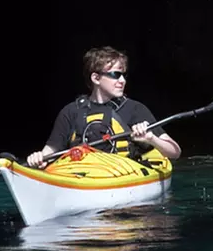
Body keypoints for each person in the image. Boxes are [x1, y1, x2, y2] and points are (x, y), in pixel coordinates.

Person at [26, 46, 182, 167]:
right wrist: (39, 157)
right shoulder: (70, 112)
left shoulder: (135, 109)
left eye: (124, 75)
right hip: (83, 175)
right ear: (96, 78)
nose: (122, 80)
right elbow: (49, 152)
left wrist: (151, 139)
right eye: (115, 74)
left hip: (124, 175)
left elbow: (175, 152)